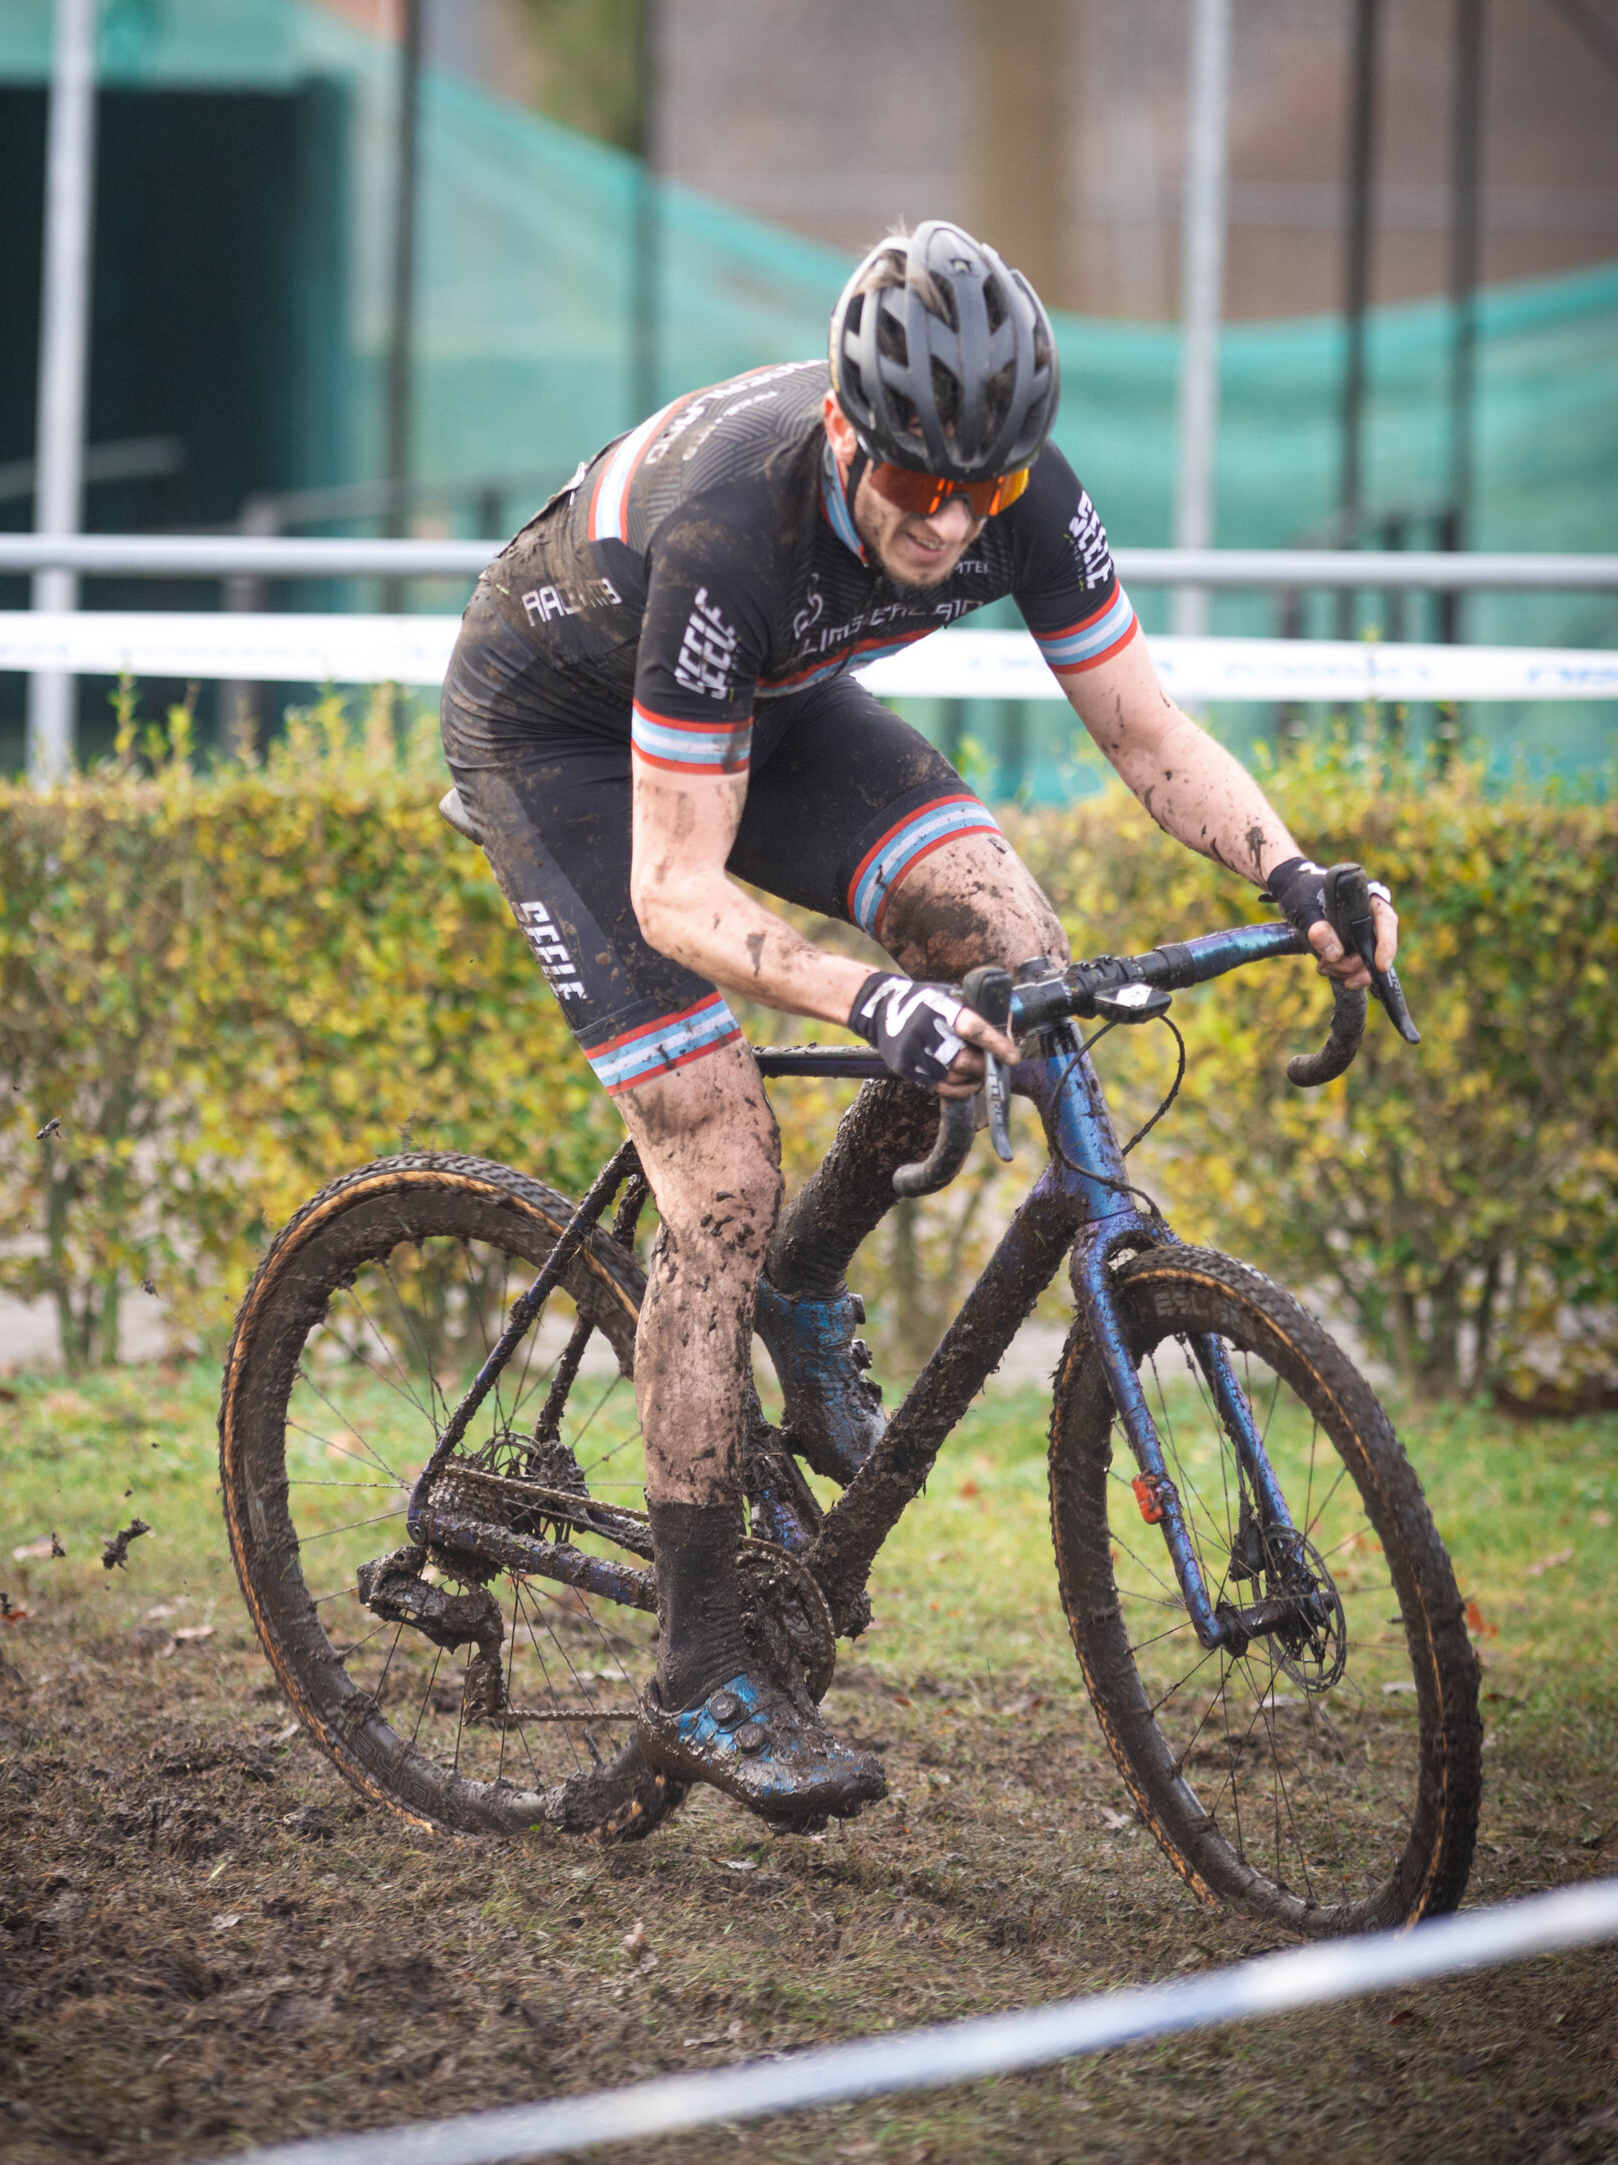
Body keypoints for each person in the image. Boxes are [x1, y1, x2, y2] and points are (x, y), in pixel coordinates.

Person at [439, 221, 1397, 1827]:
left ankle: (807, 1285)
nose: (948, 521)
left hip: (770, 704)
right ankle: (694, 1668)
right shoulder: (734, 531)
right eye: (915, 488)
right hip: (563, 739)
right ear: (846, 435)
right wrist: (865, 992)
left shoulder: (1019, 492)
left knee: (1011, 948)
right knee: (719, 1166)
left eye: (980, 491)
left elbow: (1148, 735)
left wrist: (1295, 869)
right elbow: (673, 894)